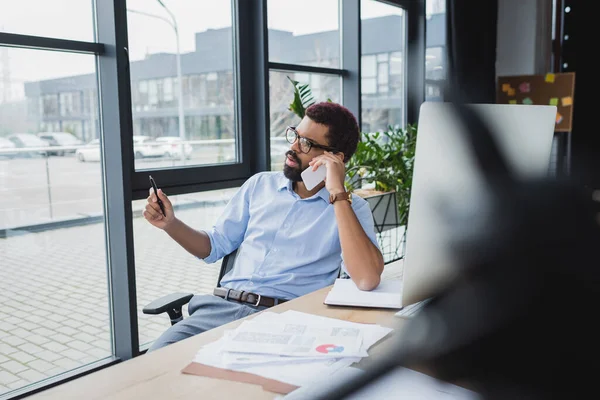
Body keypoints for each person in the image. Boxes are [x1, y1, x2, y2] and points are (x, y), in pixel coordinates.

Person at [143, 102, 384, 352]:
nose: (292, 148)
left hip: (287, 320)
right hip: (218, 310)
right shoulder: (260, 185)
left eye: (306, 144)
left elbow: (367, 279)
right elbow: (213, 247)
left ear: (335, 159)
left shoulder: (351, 209)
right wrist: (170, 224)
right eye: (296, 135)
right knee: (149, 367)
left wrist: (337, 192)